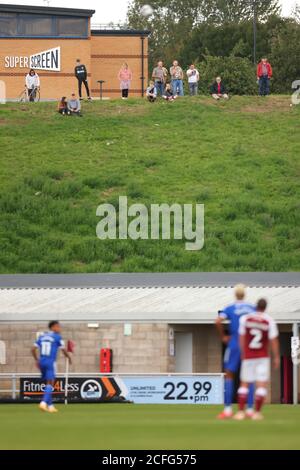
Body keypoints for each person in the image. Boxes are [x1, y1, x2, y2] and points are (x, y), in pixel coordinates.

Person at [235, 299, 280, 421]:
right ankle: (257, 413)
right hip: (262, 357)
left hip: (248, 355)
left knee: (244, 384)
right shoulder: (269, 321)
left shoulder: (245, 319)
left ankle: (240, 412)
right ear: (265, 308)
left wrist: (242, 352)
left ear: (256, 306)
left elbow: (242, 336)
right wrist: (276, 356)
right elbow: (273, 340)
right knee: (261, 385)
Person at [215, 284, 256, 420]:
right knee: (249, 376)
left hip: (235, 342)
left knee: (229, 374)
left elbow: (218, 320)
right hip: (249, 344)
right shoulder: (252, 308)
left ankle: (227, 410)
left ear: (235, 294)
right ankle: (250, 409)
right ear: (244, 294)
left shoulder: (231, 308)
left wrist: (223, 336)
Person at [31, 321, 72, 413]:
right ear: (53, 327)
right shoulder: (57, 337)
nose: (59, 328)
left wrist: (37, 360)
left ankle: (50, 406)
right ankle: (43, 402)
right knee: (51, 382)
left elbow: (33, 349)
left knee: (47, 383)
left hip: (41, 361)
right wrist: (68, 357)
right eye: (58, 327)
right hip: (50, 361)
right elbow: (63, 349)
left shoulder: (42, 336)